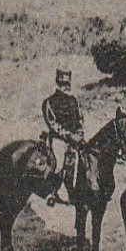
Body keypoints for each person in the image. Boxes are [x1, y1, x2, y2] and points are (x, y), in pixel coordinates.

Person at [41, 67, 83, 206]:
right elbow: (52, 123)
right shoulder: (49, 102)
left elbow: (80, 119)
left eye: (67, 84)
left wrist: (79, 133)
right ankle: (52, 192)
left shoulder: (74, 101)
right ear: (57, 83)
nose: (66, 86)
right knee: (58, 163)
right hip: (58, 139)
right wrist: (68, 135)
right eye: (63, 84)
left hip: (75, 139)